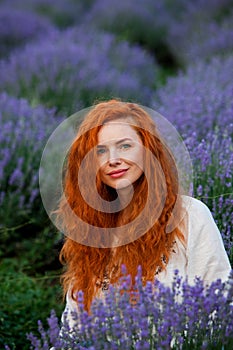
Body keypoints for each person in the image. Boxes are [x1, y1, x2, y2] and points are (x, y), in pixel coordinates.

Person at [54, 99, 231, 330]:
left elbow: (220, 303)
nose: (113, 159)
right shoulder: (90, 231)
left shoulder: (189, 215)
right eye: (100, 151)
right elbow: (73, 329)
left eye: (125, 146)